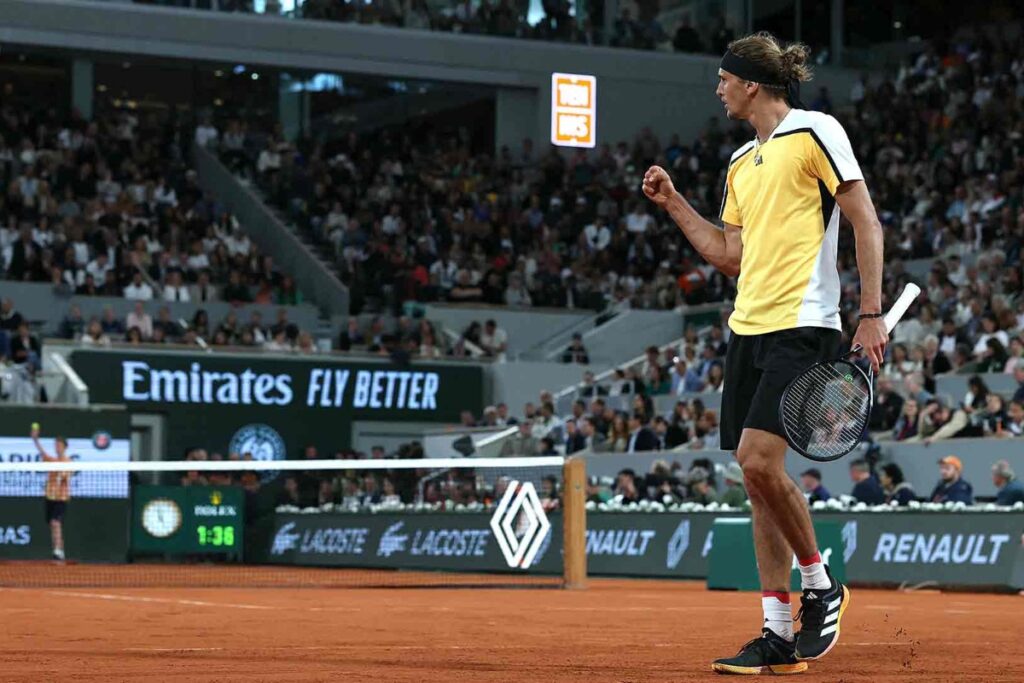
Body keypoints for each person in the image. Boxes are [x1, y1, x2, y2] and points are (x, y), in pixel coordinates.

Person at [644, 32, 883, 669]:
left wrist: (870, 313)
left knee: (756, 459)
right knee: (757, 482)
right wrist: (673, 204)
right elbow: (729, 255)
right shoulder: (738, 165)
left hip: (804, 323)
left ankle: (821, 585)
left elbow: (864, 218)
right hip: (747, 328)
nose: (718, 88)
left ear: (752, 83)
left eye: (724, 78)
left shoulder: (815, 132)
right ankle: (777, 631)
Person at [30, 424, 71, 561]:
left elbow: (67, 474)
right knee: (52, 524)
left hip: (61, 498)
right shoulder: (52, 460)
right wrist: (35, 439)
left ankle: (58, 550)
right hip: (50, 497)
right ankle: (58, 550)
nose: (57, 447)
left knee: (55, 523)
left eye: (59, 445)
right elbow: (43, 454)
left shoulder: (68, 461)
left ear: (64, 447)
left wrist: (62, 473)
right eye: (55, 445)